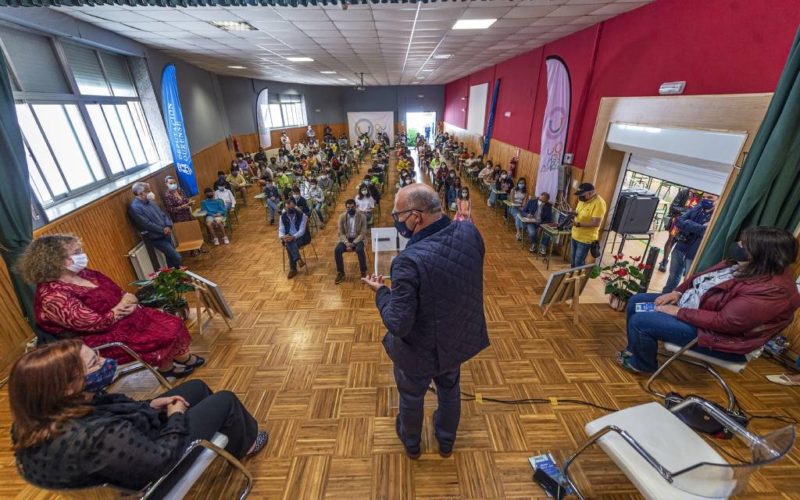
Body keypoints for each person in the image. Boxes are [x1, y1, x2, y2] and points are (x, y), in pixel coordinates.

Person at [10, 339, 266, 492]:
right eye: (94, 364)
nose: (105, 362)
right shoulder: (99, 436)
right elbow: (162, 460)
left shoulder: (36, 417)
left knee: (197, 387)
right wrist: (175, 416)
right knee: (225, 400)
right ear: (67, 387)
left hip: (127, 450)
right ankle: (245, 444)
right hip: (152, 473)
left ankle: (230, 442)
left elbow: (111, 413)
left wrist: (151, 405)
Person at [362, 184, 489, 459]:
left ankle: (411, 443)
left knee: (411, 397)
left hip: (419, 350)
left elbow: (399, 323)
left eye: (398, 216)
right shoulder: (469, 232)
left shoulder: (408, 261)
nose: (396, 221)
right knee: (450, 391)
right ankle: (446, 441)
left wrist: (382, 292)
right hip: (457, 338)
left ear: (416, 216)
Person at [621, 226, 800, 374]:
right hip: (698, 307)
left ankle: (643, 365)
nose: (738, 246)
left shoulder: (772, 291)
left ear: (762, 255)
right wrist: (677, 292)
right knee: (637, 301)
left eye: (744, 245)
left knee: (641, 321)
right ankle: (635, 349)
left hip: (718, 334)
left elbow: (725, 323)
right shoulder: (741, 264)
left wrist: (678, 312)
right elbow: (700, 278)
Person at [19, 234, 203, 378]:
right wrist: (122, 307)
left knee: (171, 322)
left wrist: (128, 302)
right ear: (56, 261)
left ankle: (172, 362)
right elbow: (93, 323)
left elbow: (119, 292)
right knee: (164, 333)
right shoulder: (53, 295)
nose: (81, 255)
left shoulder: (86, 274)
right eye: (76, 253)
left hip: (125, 319)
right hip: (99, 338)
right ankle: (170, 365)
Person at [662, 193, 719, 293]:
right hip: (680, 248)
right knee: (672, 277)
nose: (705, 200)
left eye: (710, 198)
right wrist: (697, 227)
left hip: (694, 254)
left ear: (718, 200)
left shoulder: (717, 216)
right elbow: (678, 221)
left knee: (688, 281)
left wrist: (687, 224)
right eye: (704, 197)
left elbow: (704, 231)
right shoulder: (698, 207)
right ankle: (664, 296)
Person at [128, 182, 182, 269]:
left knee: (170, 259)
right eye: (148, 191)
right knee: (177, 257)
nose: (150, 192)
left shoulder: (151, 202)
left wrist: (168, 225)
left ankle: (175, 278)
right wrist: (162, 230)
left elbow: (162, 214)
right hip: (156, 238)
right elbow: (146, 224)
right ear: (141, 194)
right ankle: (180, 274)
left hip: (166, 234)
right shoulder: (135, 207)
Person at [658, 188, 701, 272]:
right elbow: (674, 206)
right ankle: (664, 261)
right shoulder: (684, 192)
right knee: (671, 240)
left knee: (685, 244)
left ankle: (681, 267)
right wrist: (688, 212)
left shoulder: (702, 196)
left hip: (690, 225)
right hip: (678, 221)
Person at [570, 182, 607, 268]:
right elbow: (579, 212)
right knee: (572, 260)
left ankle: (577, 280)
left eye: (582, 194)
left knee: (578, 261)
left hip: (585, 239)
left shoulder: (599, 203)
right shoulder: (583, 199)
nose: (580, 197)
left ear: (590, 193)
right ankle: (571, 277)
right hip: (575, 234)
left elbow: (596, 223)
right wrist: (573, 213)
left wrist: (578, 224)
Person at [334, 199, 368, 284]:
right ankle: (341, 272)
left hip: (358, 238)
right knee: (337, 250)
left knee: (360, 250)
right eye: (348, 208)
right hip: (346, 239)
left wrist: (353, 243)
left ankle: (363, 271)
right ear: (346, 208)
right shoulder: (342, 217)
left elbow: (363, 233)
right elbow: (340, 233)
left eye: (352, 207)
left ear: (355, 206)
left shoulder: (362, 216)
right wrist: (346, 243)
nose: (350, 209)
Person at [278, 197, 310, 279]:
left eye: (292, 207)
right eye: (288, 208)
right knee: (289, 242)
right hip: (289, 237)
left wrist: (293, 237)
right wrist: (282, 236)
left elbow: (302, 230)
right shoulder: (282, 216)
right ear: (285, 208)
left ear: (295, 206)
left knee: (289, 244)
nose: (290, 210)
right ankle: (298, 259)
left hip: (301, 237)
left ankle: (293, 268)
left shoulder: (302, 215)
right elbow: (281, 229)